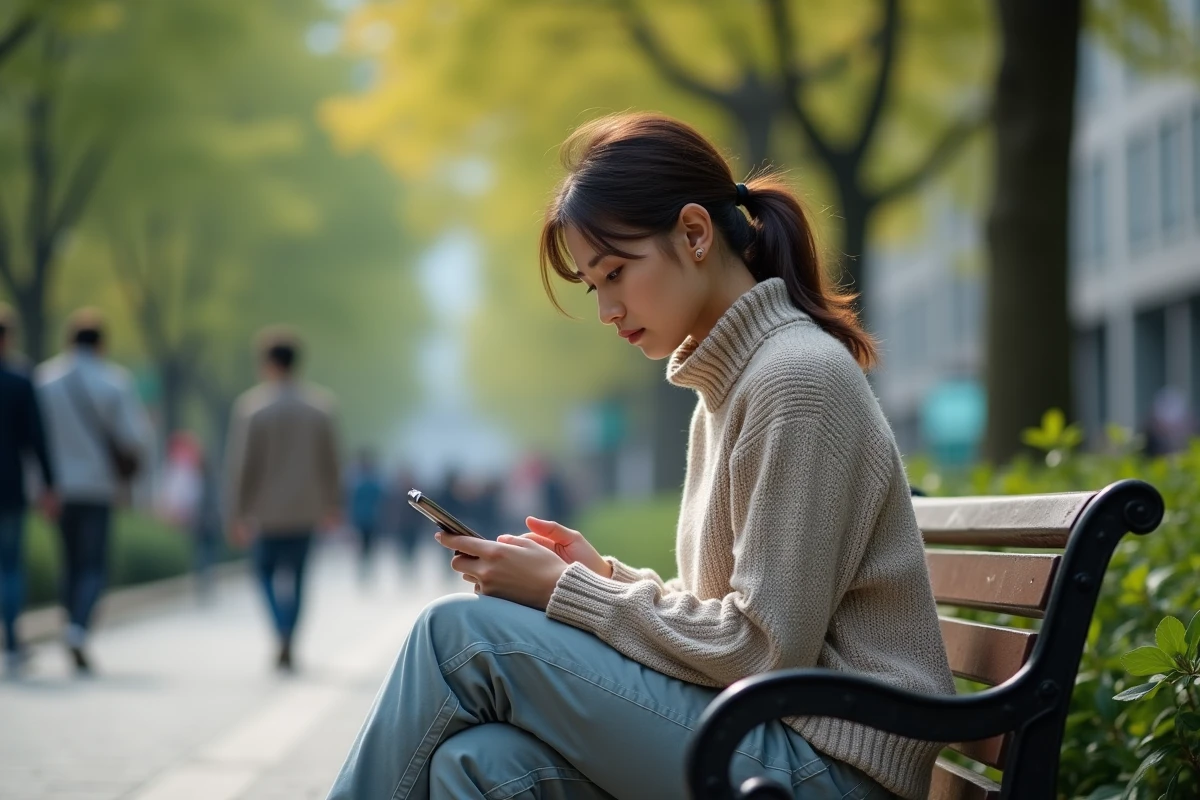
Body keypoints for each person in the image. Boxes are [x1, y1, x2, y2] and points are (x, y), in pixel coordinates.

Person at [326, 114, 953, 800]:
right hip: (771, 737)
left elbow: (759, 649)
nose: (605, 308)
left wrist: (566, 592)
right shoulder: (732, 386)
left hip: (826, 766)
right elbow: (736, 619)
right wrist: (603, 575)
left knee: (462, 638)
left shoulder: (795, 381)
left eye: (616, 272)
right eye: (594, 285)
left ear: (693, 234)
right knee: (478, 766)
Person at [36, 308, 153, 673]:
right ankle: (79, 626)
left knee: (69, 561)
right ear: (101, 343)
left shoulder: (44, 381)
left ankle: (70, 621)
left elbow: (35, 441)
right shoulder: (114, 381)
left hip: (59, 487)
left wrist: (39, 487)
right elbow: (134, 438)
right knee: (94, 563)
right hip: (99, 486)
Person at [224, 326, 341, 671]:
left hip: (266, 511)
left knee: (263, 573)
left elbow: (242, 465)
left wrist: (237, 513)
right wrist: (334, 505)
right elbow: (331, 463)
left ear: (268, 363)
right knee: (300, 576)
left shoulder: (252, 408)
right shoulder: (320, 408)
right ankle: (290, 630)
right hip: (307, 509)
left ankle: (280, 627)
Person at [0, 305, 58, 671]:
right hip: (8, 486)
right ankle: (11, 641)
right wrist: (50, 485)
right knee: (9, 566)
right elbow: (37, 439)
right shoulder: (20, 381)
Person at [347, 449, 386, 583]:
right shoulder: (373, 481)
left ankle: (365, 571)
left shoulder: (357, 481)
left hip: (365, 519)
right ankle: (366, 570)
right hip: (368, 519)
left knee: (364, 547)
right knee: (368, 547)